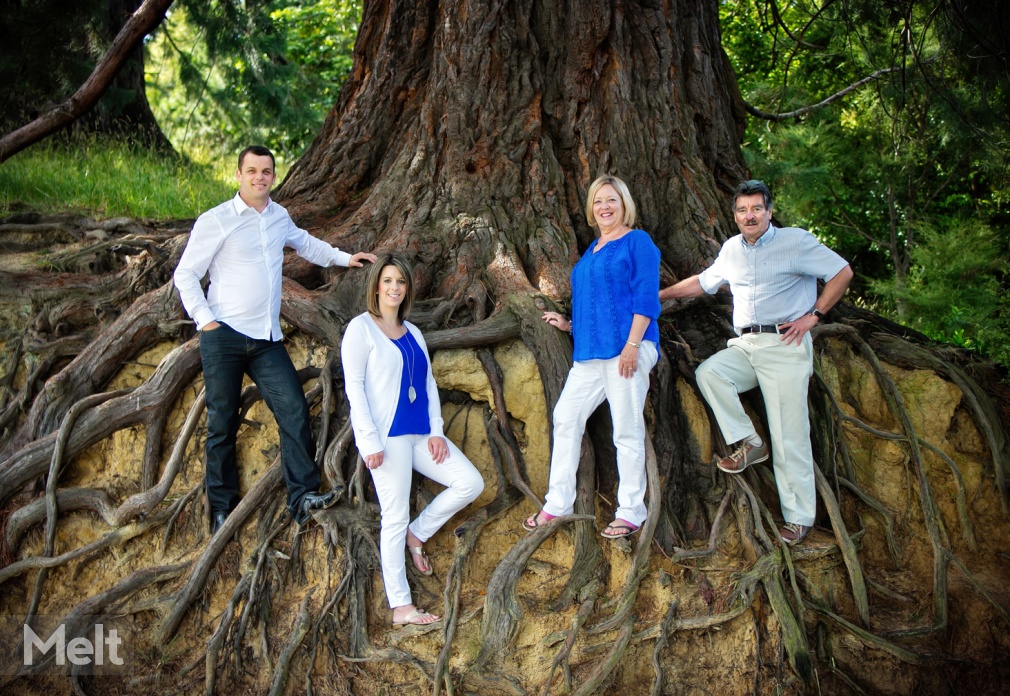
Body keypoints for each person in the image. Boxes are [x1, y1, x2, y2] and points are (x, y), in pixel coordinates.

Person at [174, 145, 377, 535]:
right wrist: (206, 321)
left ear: (273, 175)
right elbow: (185, 275)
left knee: (294, 411)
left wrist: (345, 257)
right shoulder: (216, 220)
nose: (259, 178)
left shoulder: (278, 217)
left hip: (266, 339)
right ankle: (221, 507)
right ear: (238, 174)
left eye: (266, 171)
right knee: (221, 422)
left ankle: (301, 498)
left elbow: (306, 244)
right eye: (251, 171)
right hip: (224, 337)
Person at [659, 180, 853, 545]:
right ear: (735, 215)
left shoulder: (794, 241)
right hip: (746, 344)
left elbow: (842, 272)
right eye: (743, 210)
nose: (750, 216)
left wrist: (814, 315)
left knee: (789, 436)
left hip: (784, 344)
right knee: (710, 373)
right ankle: (749, 441)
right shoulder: (733, 248)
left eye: (756, 209)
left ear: (768, 211)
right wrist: (663, 295)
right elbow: (705, 282)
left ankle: (797, 519)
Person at [341, 253, 484, 627]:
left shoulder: (414, 332)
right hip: (387, 439)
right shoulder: (361, 328)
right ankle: (401, 606)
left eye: (400, 282)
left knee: (470, 482)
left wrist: (437, 431)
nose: (393, 288)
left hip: (420, 434)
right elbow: (353, 387)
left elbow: (428, 384)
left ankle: (416, 534)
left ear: (407, 289)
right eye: (387, 281)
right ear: (376, 286)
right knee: (394, 515)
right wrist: (367, 441)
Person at [524, 175, 662, 539]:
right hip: (589, 355)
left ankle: (632, 510)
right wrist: (570, 325)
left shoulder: (637, 242)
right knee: (565, 418)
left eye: (612, 200)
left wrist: (632, 346)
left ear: (624, 204)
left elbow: (646, 297)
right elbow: (598, 302)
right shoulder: (593, 250)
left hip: (626, 351)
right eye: (598, 201)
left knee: (626, 430)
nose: (604, 207)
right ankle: (558, 503)